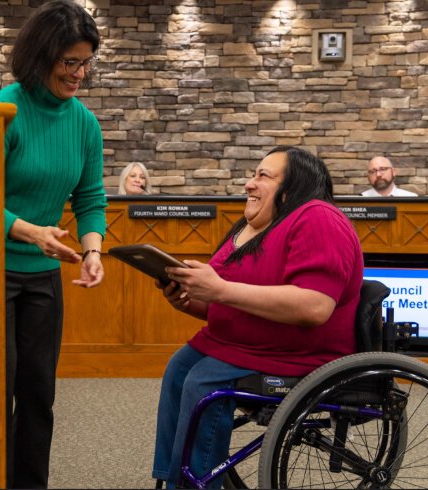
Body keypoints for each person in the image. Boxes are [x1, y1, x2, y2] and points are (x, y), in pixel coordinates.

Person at [151, 146, 364, 489]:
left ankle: (195, 484)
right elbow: (224, 301)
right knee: (179, 370)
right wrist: (188, 300)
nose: (250, 184)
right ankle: (174, 478)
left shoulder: (318, 217)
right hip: (240, 344)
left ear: (293, 187)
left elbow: (314, 306)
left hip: (298, 353)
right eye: (253, 175)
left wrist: (219, 290)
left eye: (263, 176)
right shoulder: (251, 228)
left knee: (203, 380)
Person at [0, 1, 107, 488]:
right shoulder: (4, 110)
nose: (79, 74)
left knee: (39, 393)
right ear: (41, 56)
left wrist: (93, 249)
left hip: (43, 280)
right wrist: (29, 230)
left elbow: (91, 197)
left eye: (86, 63)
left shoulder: (84, 124)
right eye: (69, 62)